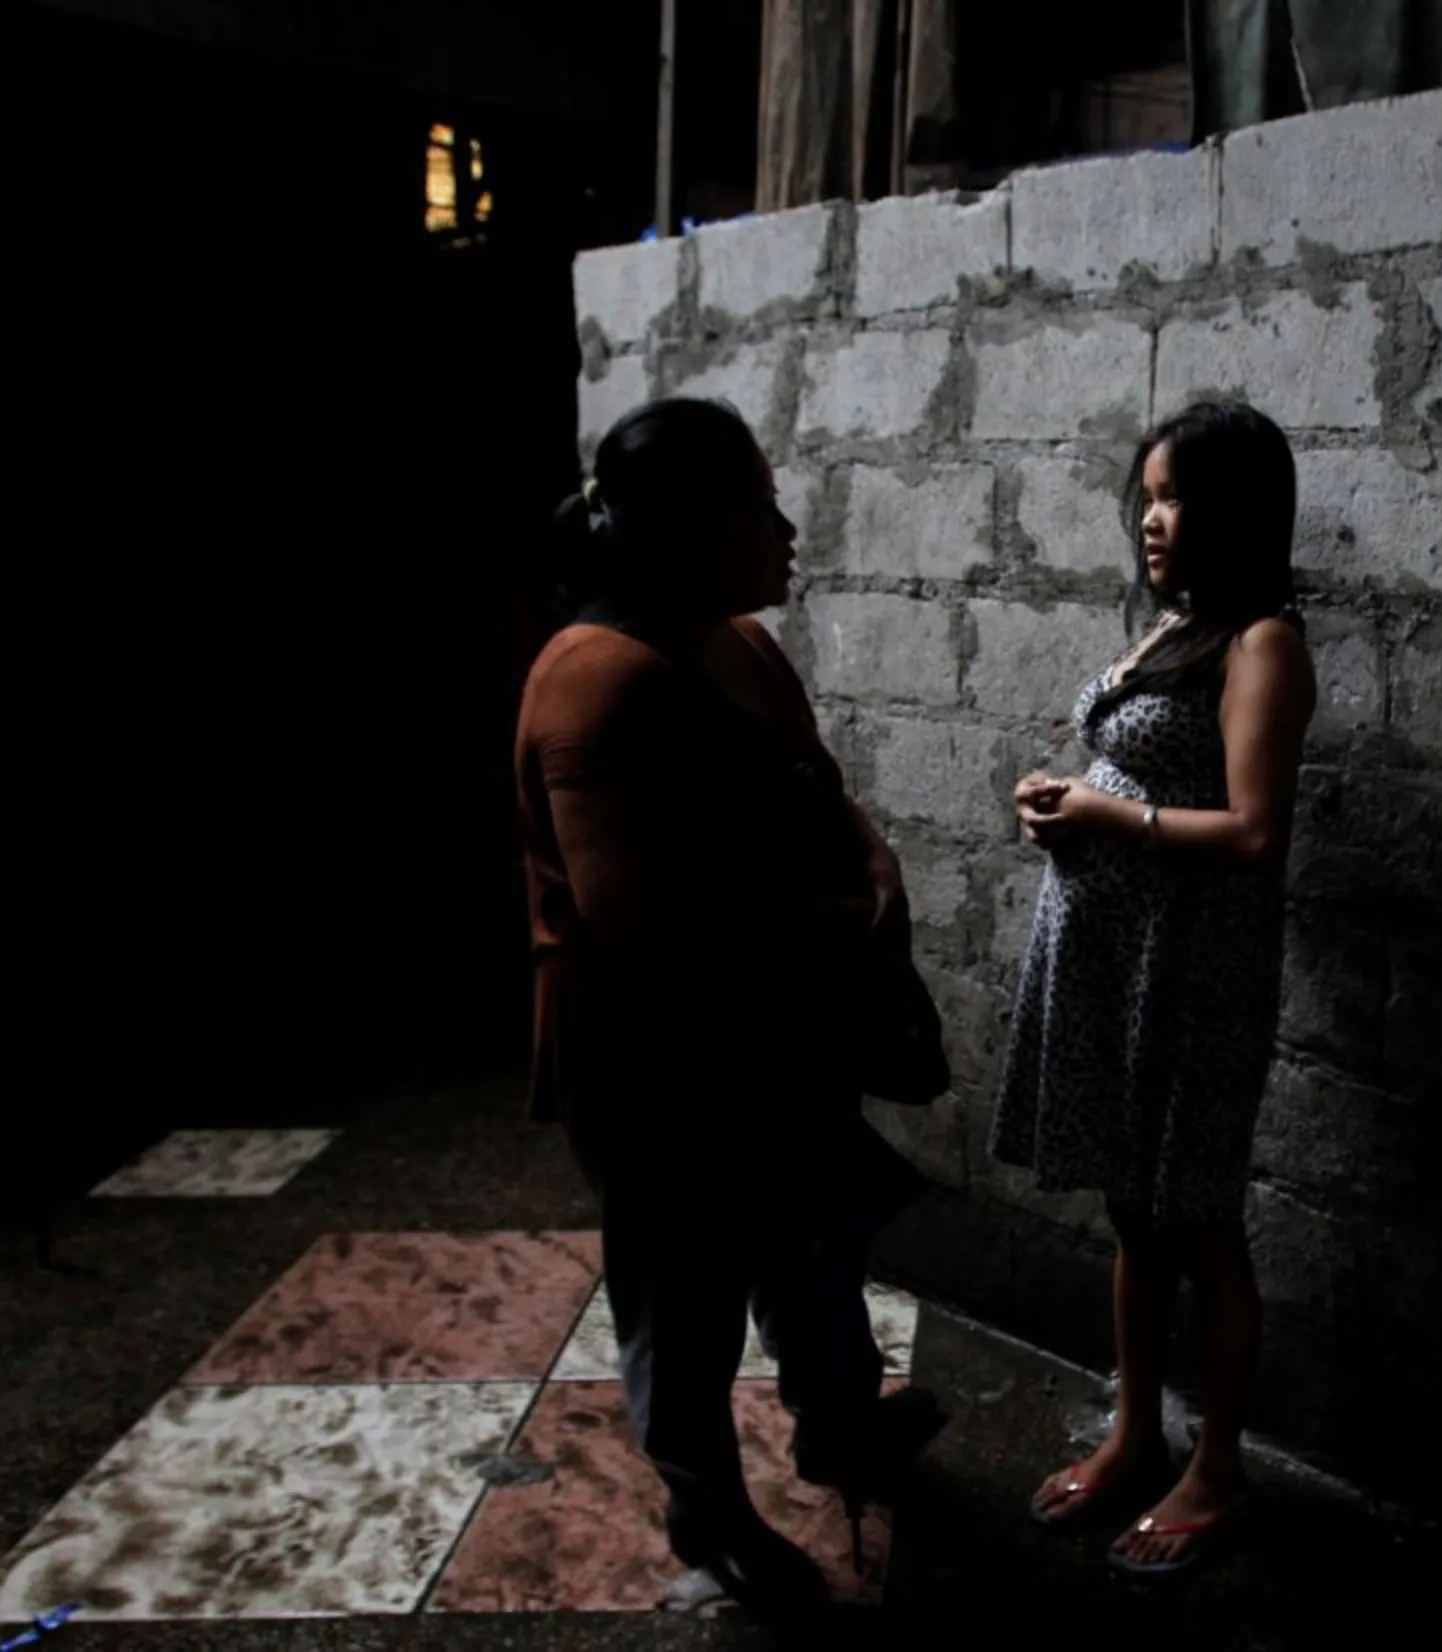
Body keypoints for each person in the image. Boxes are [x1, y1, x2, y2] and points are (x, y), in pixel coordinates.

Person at [513, 396, 945, 1618]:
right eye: (763, 503)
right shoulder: (597, 681)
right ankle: (707, 1503)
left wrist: (867, 862)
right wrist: (830, 919)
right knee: (686, 1288)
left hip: (768, 1031)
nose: (789, 526)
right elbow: (639, 921)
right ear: (692, 531)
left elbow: (814, 784)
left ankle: (840, 1425)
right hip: (658, 1058)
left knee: (813, 1242)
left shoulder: (737, 643)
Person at [988, 400, 1318, 1575]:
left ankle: (1216, 1462)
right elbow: (1134, 768)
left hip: (1193, 968)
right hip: (1117, 957)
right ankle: (1136, 1432)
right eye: (1149, 497)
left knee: (1199, 1214)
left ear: (1235, 512)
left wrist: (1102, 811)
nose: (1153, 519)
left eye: (1176, 498)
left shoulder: (1261, 642)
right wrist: (1062, 798)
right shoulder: (1177, 628)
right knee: (1135, 1205)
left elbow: (1254, 831)